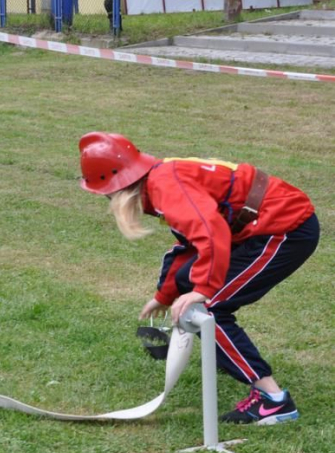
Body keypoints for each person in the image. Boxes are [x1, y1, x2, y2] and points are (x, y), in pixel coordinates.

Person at [78, 132, 319, 425]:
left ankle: (273, 400)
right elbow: (188, 245)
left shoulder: (165, 186)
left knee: (211, 310)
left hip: (283, 229)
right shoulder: (157, 182)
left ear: (117, 188)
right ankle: (223, 352)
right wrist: (164, 296)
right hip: (256, 226)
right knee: (187, 281)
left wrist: (203, 289)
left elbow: (211, 232)